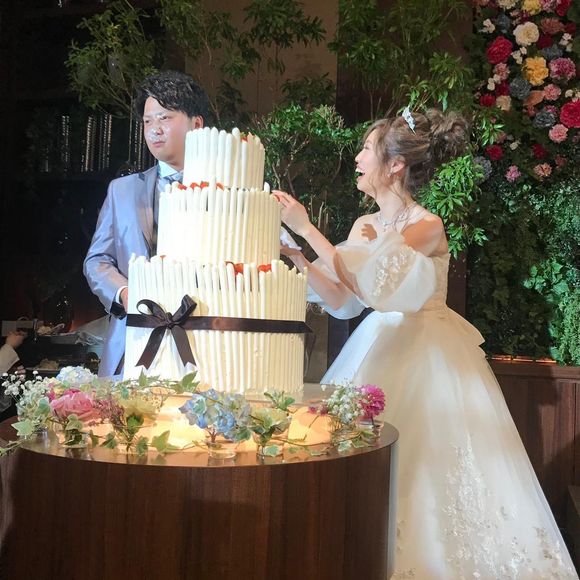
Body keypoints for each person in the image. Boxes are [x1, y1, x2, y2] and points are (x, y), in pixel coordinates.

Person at [274, 109, 578, 578]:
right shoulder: (363, 224)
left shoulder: (427, 225)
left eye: (366, 149)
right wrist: (297, 255)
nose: (357, 159)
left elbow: (377, 282)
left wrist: (307, 228)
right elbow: (345, 301)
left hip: (430, 353)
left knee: (429, 466)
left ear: (395, 164)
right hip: (378, 342)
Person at [84, 70, 211, 377]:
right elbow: (97, 260)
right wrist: (124, 292)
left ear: (196, 124)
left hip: (204, 344)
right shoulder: (122, 191)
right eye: (147, 121)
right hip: (132, 340)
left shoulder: (224, 192)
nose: (155, 129)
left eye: (164, 118)